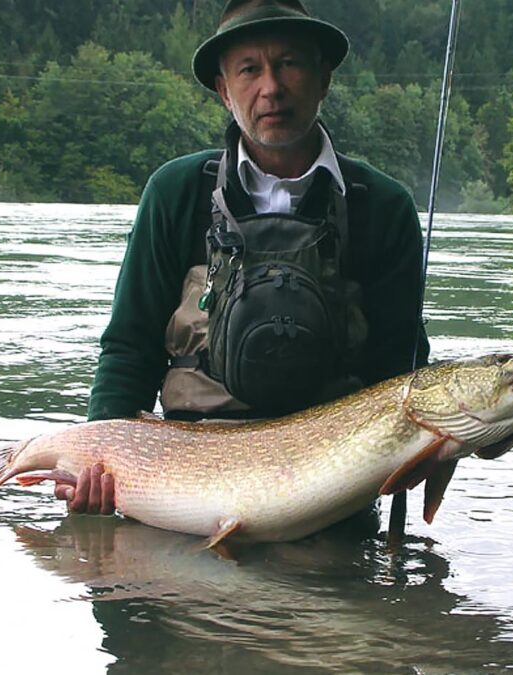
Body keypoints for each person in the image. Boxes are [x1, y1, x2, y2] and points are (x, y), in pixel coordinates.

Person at [57, 0, 429, 514]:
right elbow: (129, 349)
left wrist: (433, 449)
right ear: (224, 90)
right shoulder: (175, 192)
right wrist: (101, 461)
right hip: (186, 482)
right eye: (249, 69)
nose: (271, 87)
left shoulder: (383, 206)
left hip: (330, 497)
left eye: (289, 64)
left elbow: (402, 371)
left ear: (323, 77)